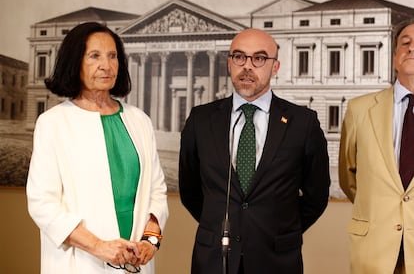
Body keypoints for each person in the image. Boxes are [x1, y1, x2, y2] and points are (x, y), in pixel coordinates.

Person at [179, 28, 330, 274]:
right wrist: (221, 225)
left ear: (275, 67)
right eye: (239, 57)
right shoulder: (201, 119)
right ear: (229, 63)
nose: (247, 66)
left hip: (276, 259)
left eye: (259, 58)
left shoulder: (303, 123)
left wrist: (279, 230)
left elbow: (317, 196)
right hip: (215, 259)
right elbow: (190, 191)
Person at [26, 22, 168, 274]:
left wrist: (151, 240)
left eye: (113, 56)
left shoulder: (140, 120)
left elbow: (157, 190)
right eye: (95, 56)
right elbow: (42, 203)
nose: (107, 65)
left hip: (136, 261)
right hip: (79, 262)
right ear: (75, 63)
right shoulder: (53, 123)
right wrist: (98, 246)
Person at [339, 18, 414, 274]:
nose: (412, 48)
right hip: (374, 252)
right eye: (406, 43)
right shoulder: (360, 110)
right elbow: (349, 177)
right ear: (394, 58)